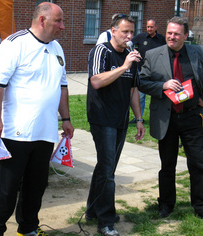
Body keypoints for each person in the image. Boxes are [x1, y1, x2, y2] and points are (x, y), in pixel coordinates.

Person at [0, 2, 74, 236]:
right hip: (15, 132)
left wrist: (66, 118)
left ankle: (28, 229)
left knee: (36, 187)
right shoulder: (14, 44)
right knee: (6, 188)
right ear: (42, 20)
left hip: (45, 133)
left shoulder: (57, 49)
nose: (63, 26)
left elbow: (62, 86)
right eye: (58, 21)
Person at [139, 16, 203, 224]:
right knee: (167, 165)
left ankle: (202, 207)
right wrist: (162, 86)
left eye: (176, 33)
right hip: (166, 118)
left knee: (198, 164)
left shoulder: (199, 53)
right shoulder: (152, 55)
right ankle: (166, 205)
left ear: (185, 36)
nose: (171, 37)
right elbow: (141, 82)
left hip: (192, 117)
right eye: (169, 33)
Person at [86, 13, 145, 236]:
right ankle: (106, 221)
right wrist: (124, 66)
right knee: (108, 171)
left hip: (120, 119)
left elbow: (133, 89)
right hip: (102, 118)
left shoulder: (131, 54)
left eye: (131, 32)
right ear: (113, 31)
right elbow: (96, 81)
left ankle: (93, 210)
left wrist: (138, 119)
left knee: (106, 167)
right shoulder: (101, 50)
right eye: (124, 32)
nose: (129, 36)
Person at [129, 18, 166, 124]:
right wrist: (134, 51)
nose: (149, 29)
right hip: (142, 71)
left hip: (157, 71)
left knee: (157, 95)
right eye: (148, 27)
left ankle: (158, 118)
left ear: (156, 27)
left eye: (151, 27)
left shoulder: (162, 39)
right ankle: (138, 118)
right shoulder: (141, 37)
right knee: (140, 96)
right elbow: (129, 43)